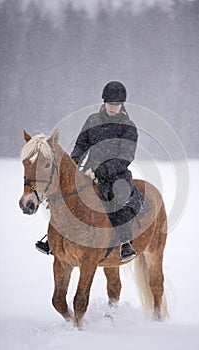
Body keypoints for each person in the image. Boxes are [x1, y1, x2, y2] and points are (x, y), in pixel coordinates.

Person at [36, 81, 149, 261]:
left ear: (122, 105)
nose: (113, 108)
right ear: (104, 102)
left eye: (116, 105)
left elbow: (127, 155)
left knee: (120, 198)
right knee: (65, 196)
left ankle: (125, 242)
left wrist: (107, 168)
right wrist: (73, 162)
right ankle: (51, 238)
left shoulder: (128, 126)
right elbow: (82, 144)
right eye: (110, 104)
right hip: (89, 171)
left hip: (117, 174)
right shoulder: (92, 120)